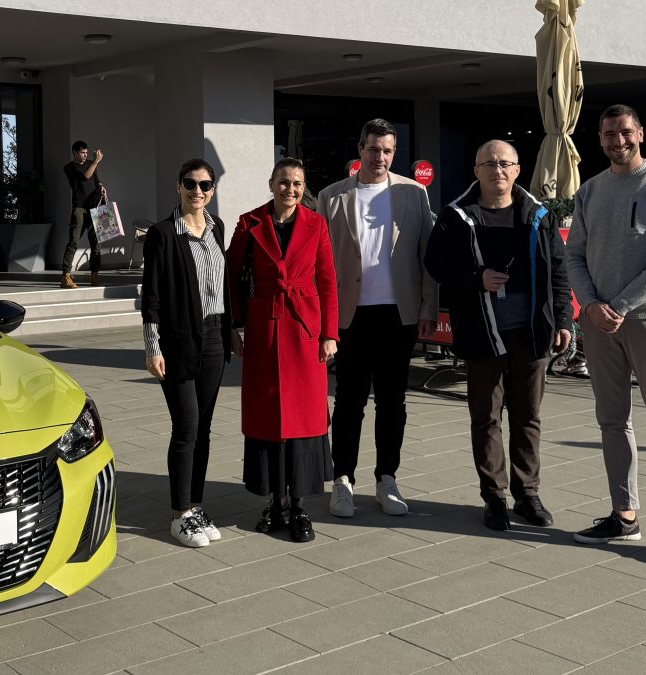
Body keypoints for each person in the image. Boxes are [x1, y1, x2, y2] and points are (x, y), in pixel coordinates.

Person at [565, 104, 646, 570]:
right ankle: (624, 515)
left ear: (639, 133)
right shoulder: (590, 190)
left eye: (624, 132)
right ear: (599, 139)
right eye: (608, 134)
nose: (617, 140)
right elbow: (574, 255)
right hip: (599, 322)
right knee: (611, 420)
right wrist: (591, 306)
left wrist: (618, 305)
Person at [426, 140, 572, 531]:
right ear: (476, 171)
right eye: (489, 164)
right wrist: (476, 278)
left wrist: (563, 319)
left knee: (528, 416)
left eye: (505, 163)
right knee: (486, 418)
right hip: (483, 333)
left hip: (531, 332)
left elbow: (559, 269)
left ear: (518, 170)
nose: (498, 170)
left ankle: (527, 494)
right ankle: (494, 496)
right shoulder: (456, 215)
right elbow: (435, 263)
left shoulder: (537, 214)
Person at [316, 118, 438, 519]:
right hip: (349, 317)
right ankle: (342, 479)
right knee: (348, 401)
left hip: (398, 315)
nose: (380, 157)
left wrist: (428, 309)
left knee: (392, 402)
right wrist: (323, 322)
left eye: (387, 150)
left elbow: (426, 256)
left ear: (394, 152)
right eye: (373, 149)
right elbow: (320, 264)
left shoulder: (413, 192)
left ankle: (387, 478)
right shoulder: (332, 196)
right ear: (360, 149)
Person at [227, 158, 338, 542]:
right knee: (268, 415)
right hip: (264, 329)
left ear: (303, 188)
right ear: (271, 183)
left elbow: (328, 281)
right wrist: (235, 325)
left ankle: (300, 507)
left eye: (296, 183)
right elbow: (232, 277)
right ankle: (275, 502)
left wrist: (329, 333)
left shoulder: (316, 224)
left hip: (305, 329)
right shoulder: (250, 222)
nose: (290, 189)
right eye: (283, 182)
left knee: (305, 418)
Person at [140, 158, 233, 548]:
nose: (198, 191)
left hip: (214, 337)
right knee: (187, 427)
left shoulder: (217, 227)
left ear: (212, 190)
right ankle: (180, 515)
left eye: (205, 185)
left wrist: (232, 332)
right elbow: (151, 295)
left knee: (204, 429)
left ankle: (195, 506)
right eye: (191, 184)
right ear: (178, 186)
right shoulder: (163, 233)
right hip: (178, 341)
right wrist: (153, 346)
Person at [62, 140, 106, 289]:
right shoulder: (69, 167)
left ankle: (95, 276)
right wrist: (96, 161)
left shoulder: (90, 164)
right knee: (73, 242)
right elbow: (85, 177)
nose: (85, 155)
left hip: (94, 207)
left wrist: (101, 187)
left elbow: (96, 180)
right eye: (82, 153)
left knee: (96, 243)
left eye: (86, 153)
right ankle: (66, 276)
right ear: (75, 152)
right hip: (79, 208)